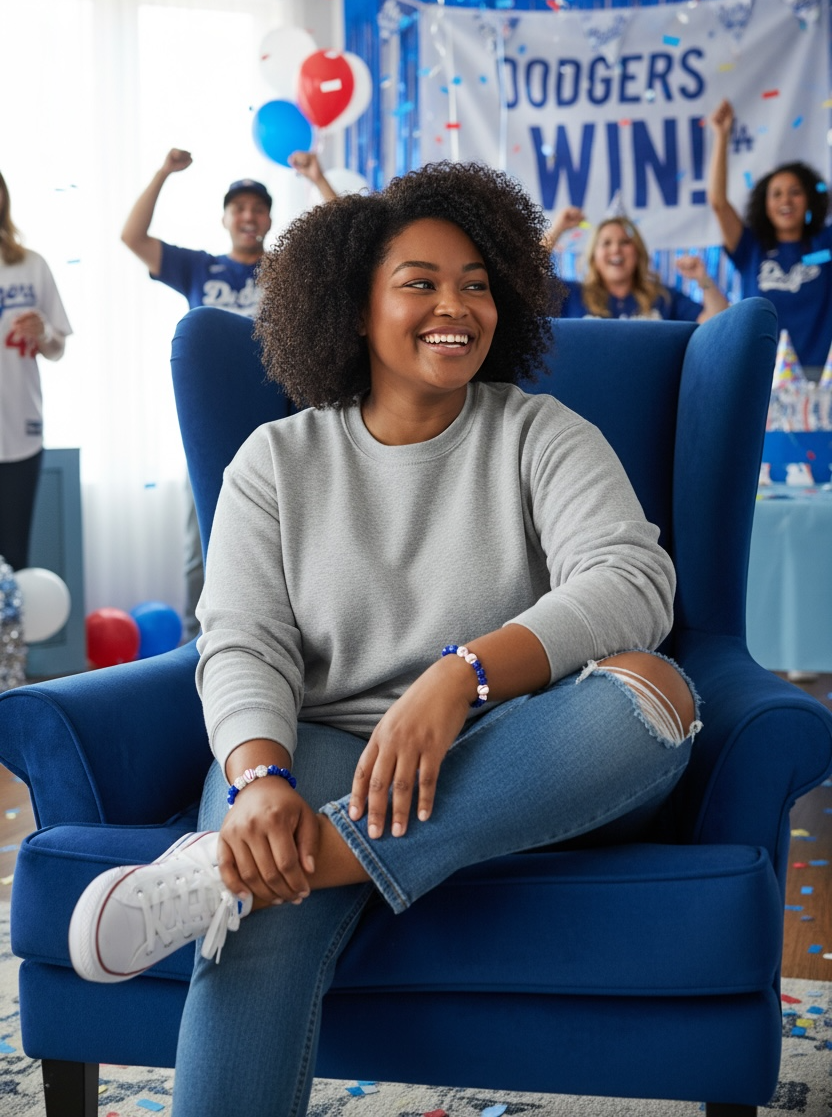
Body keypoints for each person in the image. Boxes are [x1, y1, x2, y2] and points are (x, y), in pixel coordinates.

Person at [70, 161, 702, 1117]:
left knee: (656, 694)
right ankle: (267, 858)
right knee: (262, 920)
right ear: (353, 307)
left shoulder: (543, 433)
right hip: (320, 747)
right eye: (421, 282)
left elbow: (633, 580)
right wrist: (258, 782)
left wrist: (463, 678)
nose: (458, 305)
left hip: (512, 750)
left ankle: (252, 873)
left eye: (478, 284)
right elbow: (241, 641)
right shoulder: (275, 463)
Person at [120, 147, 337, 637]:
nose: (248, 215)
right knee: (205, 535)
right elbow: (132, 237)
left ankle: (287, 638)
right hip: (215, 416)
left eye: (257, 208)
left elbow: (347, 245)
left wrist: (318, 179)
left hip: (281, 418)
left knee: (287, 537)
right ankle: (201, 645)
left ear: (268, 219)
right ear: (224, 218)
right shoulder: (199, 268)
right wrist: (162, 171)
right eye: (238, 208)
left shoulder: (288, 270)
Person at [707, 98, 832, 374]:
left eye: (795, 192)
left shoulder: (825, 244)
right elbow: (718, 202)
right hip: (761, 376)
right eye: (776, 193)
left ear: (810, 200)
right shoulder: (751, 248)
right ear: (764, 205)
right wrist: (721, 136)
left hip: (821, 379)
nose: (786, 200)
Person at [0, 170, 72, 572]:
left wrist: (44, 332)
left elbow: (57, 348)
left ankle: (11, 638)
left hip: (20, 433)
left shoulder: (30, 265)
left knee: (15, 560)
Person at [543, 206, 728, 322]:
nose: (616, 250)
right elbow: (525, 275)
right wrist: (557, 228)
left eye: (625, 242)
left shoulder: (663, 297)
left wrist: (703, 279)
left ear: (637, 252)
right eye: (606, 243)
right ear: (593, 257)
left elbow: (718, 322)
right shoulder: (571, 295)